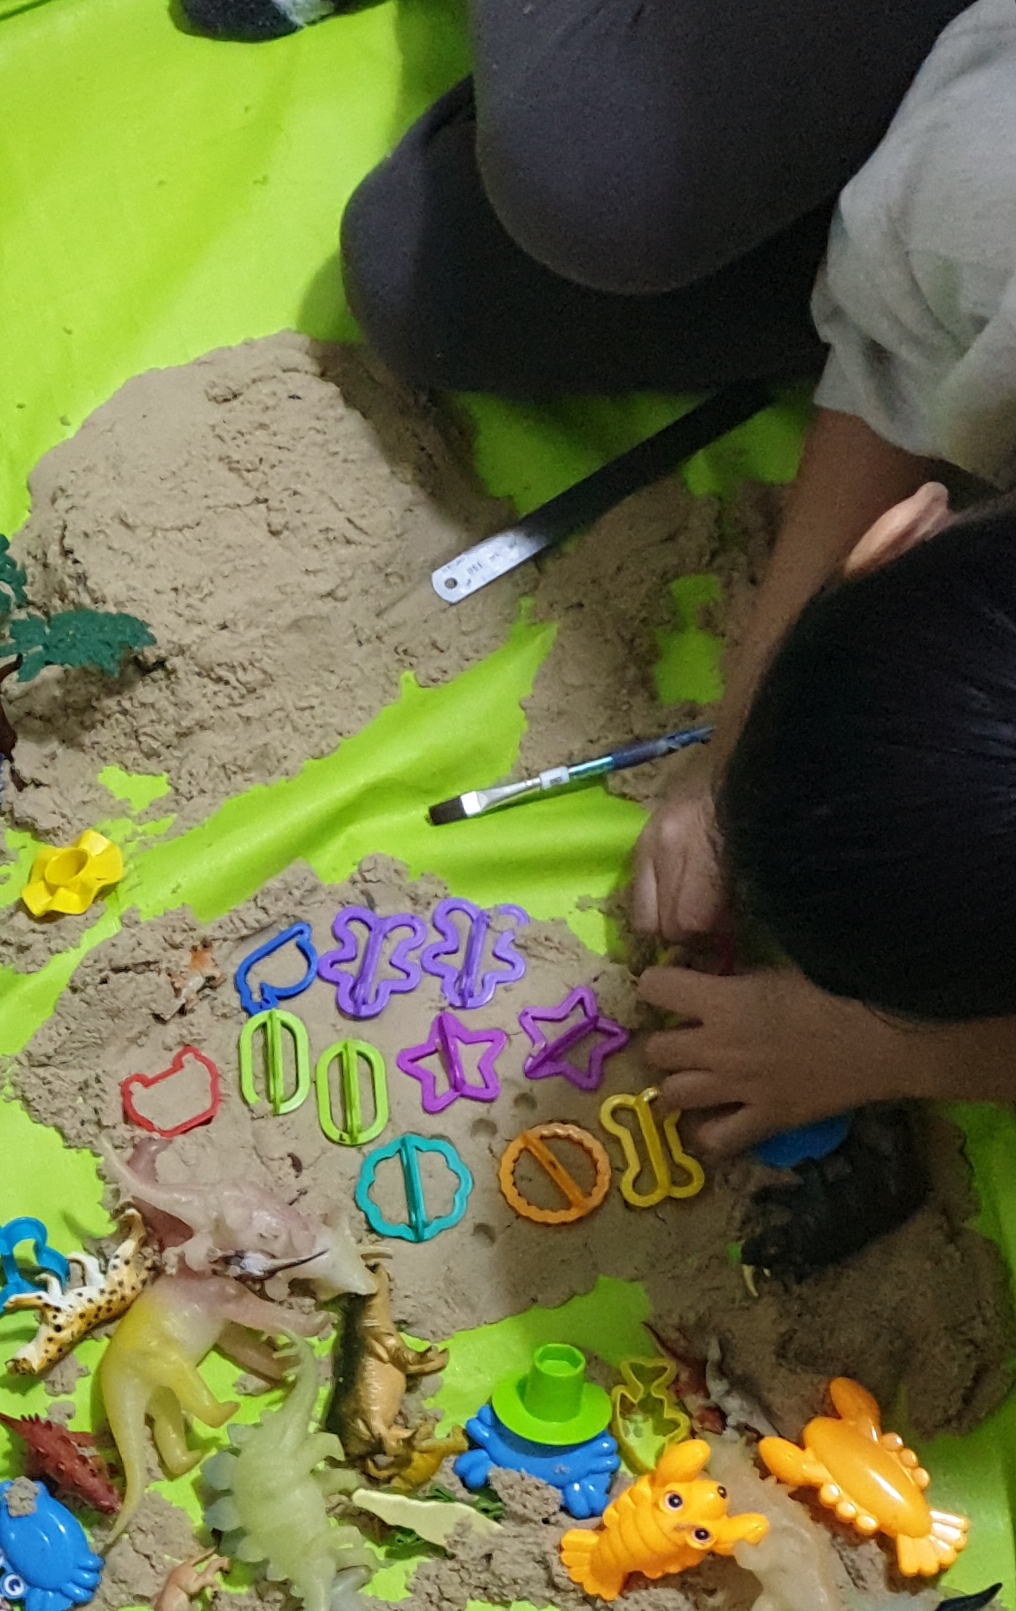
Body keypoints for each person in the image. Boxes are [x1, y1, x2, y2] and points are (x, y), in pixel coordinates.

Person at [342, 0, 1016, 1148]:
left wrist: (883, 1048)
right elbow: (890, 363)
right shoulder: (984, 200)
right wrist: (725, 753)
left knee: (429, 266)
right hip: (974, 122)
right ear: (894, 535)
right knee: (542, 208)